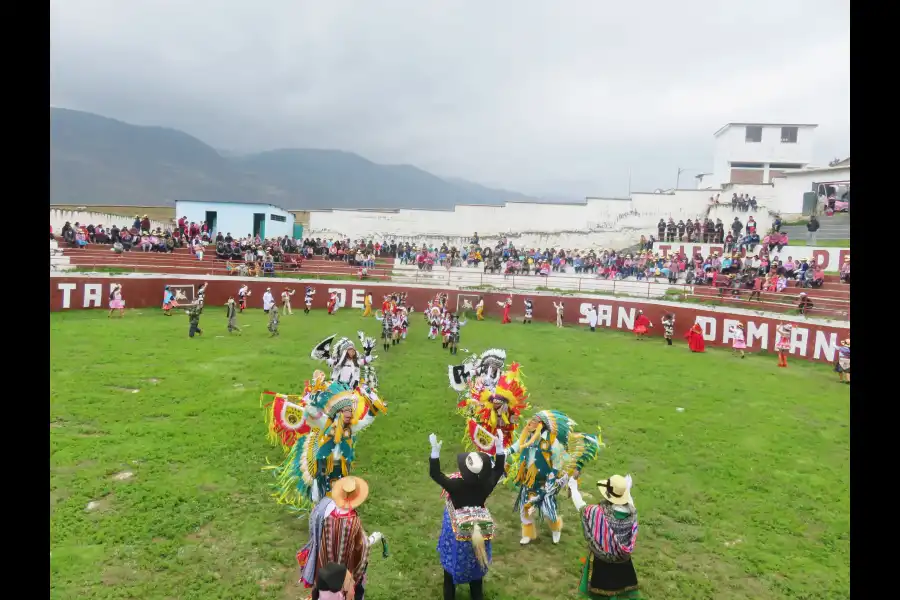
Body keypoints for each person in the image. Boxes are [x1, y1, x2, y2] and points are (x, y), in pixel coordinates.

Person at [429, 430, 506, 600]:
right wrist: (499, 449)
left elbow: (436, 474)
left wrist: (435, 452)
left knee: (450, 573)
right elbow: (499, 469)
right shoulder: (486, 485)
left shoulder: (455, 485)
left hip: (458, 535)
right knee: (476, 569)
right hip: (478, 532)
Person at [509, 410, 602, 546]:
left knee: (548, 510)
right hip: (528, 480)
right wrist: (505, 452)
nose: (530, 422)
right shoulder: (528, 435)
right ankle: (528, 534)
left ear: (542, 425)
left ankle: (556, 529)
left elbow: (559, 463)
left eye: (534, 421)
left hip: (546, 481)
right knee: (525, 508)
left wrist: (551, 483)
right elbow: (518, 445)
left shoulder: (552, 443)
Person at [296, 477, 385, 598]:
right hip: (344, 571)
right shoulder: (353, 522)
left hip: (325, 569)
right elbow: (362, 546)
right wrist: (373, 539)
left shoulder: (326, 512)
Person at [566, 475, 640, 600]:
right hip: (623, 562)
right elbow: (630, 501)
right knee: (619, 589)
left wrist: (573, 487)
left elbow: (582, 507)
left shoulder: (597, 513)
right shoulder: (632, 513)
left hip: (602, 563)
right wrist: (627, 488)